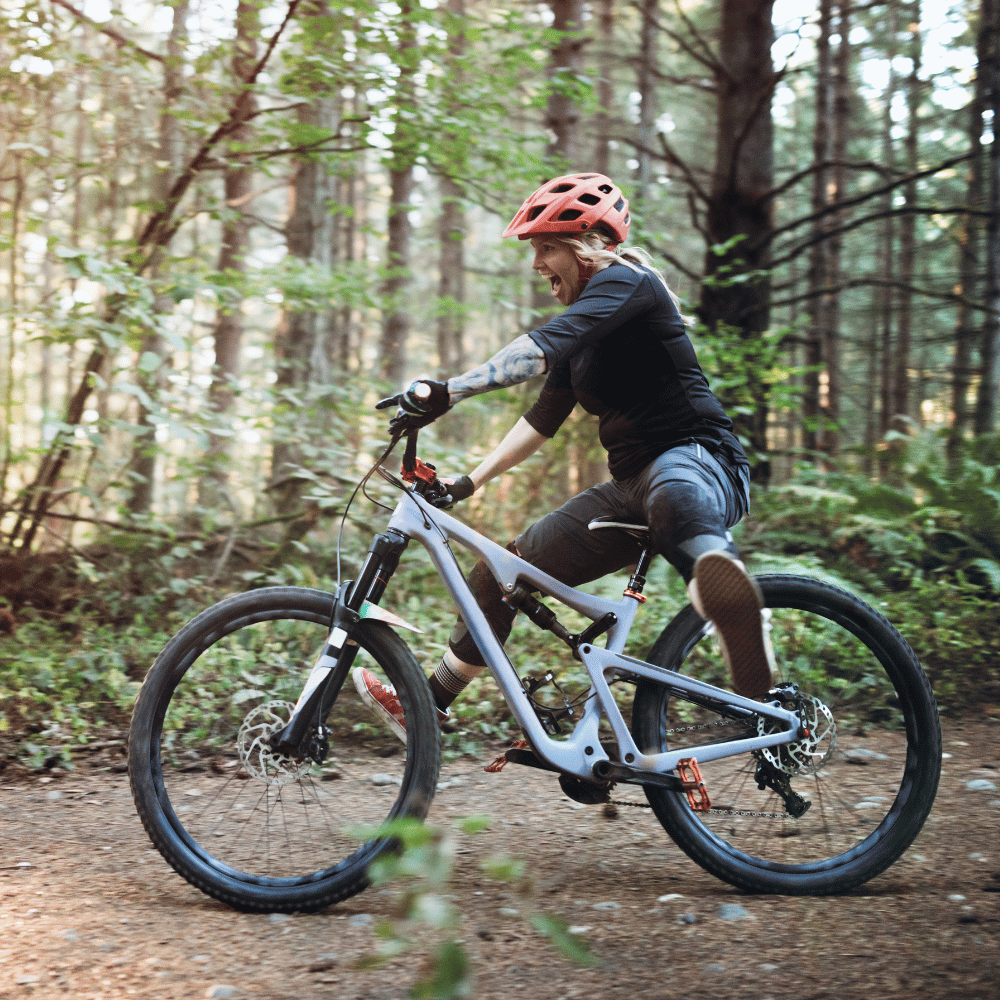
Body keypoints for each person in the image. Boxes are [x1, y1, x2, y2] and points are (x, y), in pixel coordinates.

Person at [354, 172, 774, 743]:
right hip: (632, 489)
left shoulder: (632, 283)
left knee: (674, 488)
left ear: (585, 246)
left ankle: (731, 598)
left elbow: (535, 349)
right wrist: (464, 485)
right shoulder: (585, 334)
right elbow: (539, 423)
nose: (536, 265)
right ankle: (427, 702)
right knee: (500, 575)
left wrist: (449, 389)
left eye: (546, 248)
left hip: (701, 461)